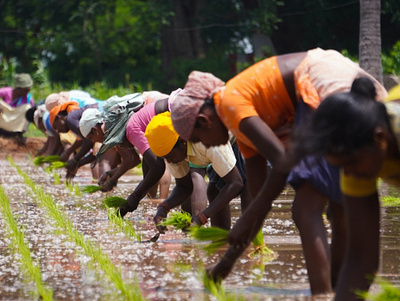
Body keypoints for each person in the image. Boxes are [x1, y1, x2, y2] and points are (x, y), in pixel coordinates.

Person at [170, 48, 387, 297]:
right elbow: (260, 196)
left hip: (320, 82)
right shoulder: (241, 129)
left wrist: (247, 218)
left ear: (204, 120)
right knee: (335, 206)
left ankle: (323, 293)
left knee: (306, 207)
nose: (205, 146)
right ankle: (337, 289)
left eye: (198, 138)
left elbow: (282, 163)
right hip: (329, 78)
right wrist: (225, 264)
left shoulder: (230, 103)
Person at [291, 77, 399, 300]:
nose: (347, 174)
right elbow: (361, 259)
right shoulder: (358, 159)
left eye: (349, 164)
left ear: (380, 139)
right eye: (340, 167)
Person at [145, 111, 246, 230]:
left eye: (170, 156)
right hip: (224, 141)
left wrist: (203, 216)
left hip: (242, 133)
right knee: (214, 191)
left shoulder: (207, 140)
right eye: (166, 158)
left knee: (248, 192)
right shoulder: (173, 149)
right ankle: (221, 241)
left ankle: (252, 242)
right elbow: (184, 187)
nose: (170, 161)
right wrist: (164, 207)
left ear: (182, 142)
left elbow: (236, 182)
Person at [95, 91, 179, 217]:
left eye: (118, 141)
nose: (120, 146)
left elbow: (158, 166)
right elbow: (149, 170)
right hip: (177, 107)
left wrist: (134, 197)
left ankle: (188, 222)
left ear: (121, 132)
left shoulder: (131, 129)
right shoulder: (138, 125)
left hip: (178, 110)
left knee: (189, 175)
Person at [0, 73, 35, 143]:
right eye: (25, 90)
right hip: (1, 125)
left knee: (28, 109)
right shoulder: (6, 91)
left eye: (28, 90)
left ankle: (19, 135)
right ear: (19, 88)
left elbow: (31, 116)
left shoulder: (28, 99)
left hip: (15, 129)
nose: (27, 92)